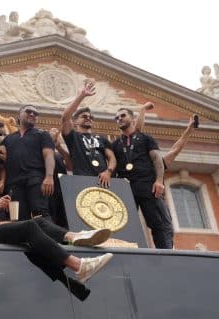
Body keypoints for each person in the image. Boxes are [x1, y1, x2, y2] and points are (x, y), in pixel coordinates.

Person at [0, 164, 113, 285]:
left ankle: (75, 237)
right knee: (28, 227)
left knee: (37, 222)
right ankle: (79, 266)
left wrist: (15, 224)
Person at [111, 108, 174, 249]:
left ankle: (166, 255)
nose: (119, 119)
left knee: (159, 223)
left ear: (132, 119)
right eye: (116, 118)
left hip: (148, 187)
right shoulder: (115, 144)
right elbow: (113, 167)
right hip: (126, 191)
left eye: (122, 115)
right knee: (124, 225)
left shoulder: (146, 138)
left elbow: (157, 160)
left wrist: (159, 181)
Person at [2, 105, 55, 220]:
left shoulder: (42, 134)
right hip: (13, 183)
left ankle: (47, 238)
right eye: (29, 111)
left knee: (40, 213)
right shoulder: (8, 139)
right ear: (19, 116)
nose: (32, 114)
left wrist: (49, 177)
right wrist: (2, 182)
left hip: (35, 179)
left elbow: (49, 156)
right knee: (16, 218)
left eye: (35, 114)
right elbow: (2, 162)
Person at [61, 82, 117, 187]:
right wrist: (81, 96)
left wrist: (108, 172)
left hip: (103, 181)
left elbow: (112, 158)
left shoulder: (101, 138)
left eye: (90, 117)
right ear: (75, 121)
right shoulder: (72, 136)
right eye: (84, 116)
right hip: (82, 181)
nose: (88, 118)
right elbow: (65, 117)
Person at [135, 102, 198, 170]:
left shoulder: (156, 167)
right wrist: (142, 109)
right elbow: (137, 133)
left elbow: (175, 151)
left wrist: (189, 131)